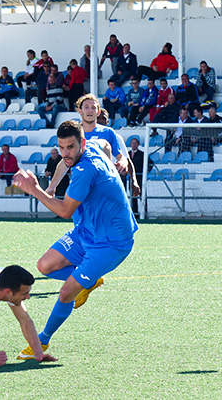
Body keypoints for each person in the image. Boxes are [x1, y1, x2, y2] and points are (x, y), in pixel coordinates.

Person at [13, 120, 138, 359]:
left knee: (66, 293)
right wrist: (52, 187)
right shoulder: (90, 145)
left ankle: (42, 342)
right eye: (61, 147)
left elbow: (65, 211)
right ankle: (89, 282)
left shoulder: (86, 170)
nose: (66, 153)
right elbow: (101, 145)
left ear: (81, 143)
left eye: (70, 147)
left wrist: (35, 190)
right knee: (45, 266)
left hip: (111, 243)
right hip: (88, 230)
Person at [46, 94, 139, 199]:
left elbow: (121, 156)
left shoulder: (108, 132)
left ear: (98, 112)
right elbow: (65, 162)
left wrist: (122, 163)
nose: (90, 110)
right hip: (81, 185)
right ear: (80, 111)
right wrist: (52, 187)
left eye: (93, 107)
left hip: (104, 187)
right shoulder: (74, 133)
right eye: (86, 107)